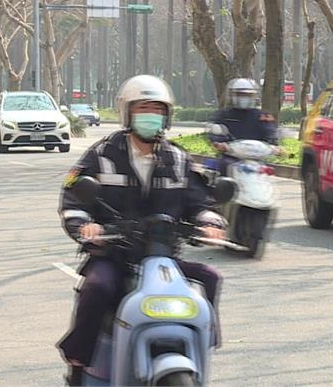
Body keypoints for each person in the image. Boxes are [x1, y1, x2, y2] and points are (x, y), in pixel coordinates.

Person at [57, 75, 227, 385]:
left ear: (166, 116)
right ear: (128, 113)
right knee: (98, 287)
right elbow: (73, 196)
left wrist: (209, 222)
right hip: (115, 254)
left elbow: (201, 199)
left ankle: (204, 344)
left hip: (163, 257)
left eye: (157, 110)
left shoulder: (178, 158)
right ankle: (78, 361)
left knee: (211, 277)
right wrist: (85, 226)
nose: (151, 116)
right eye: (143, 108)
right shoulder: (102, 154)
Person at [208, 78, 280, 158]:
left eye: (248, 95)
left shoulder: (262, 116)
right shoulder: (223, 115)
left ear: (254, 96)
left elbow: (270, 132)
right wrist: (219, 143)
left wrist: (275, 146)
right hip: (230, 157)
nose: (244, 98)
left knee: (269, 170)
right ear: (233, 96)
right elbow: (215, 133)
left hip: (257, 159)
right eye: (240, 94)